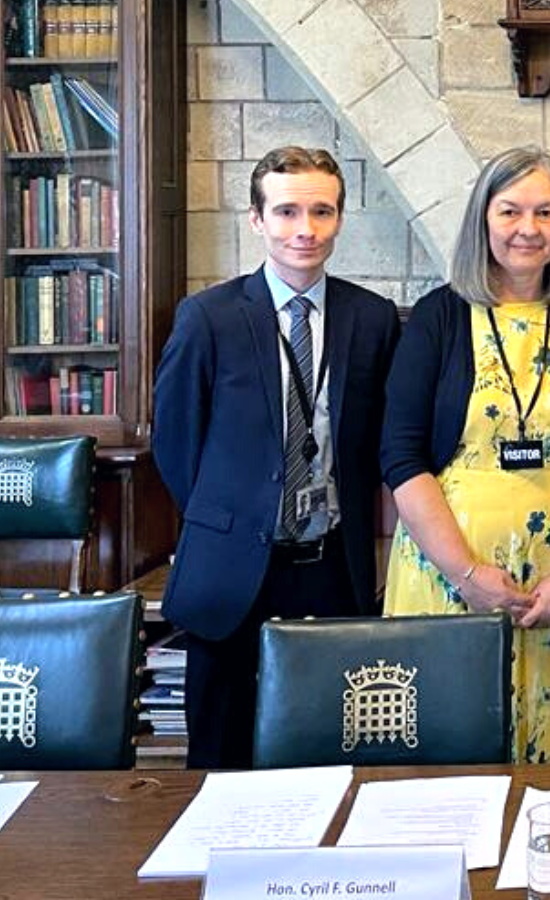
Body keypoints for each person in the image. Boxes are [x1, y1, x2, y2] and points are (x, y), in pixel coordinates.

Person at [153, 146, 401, 769]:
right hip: (232, 572)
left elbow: (376, 445)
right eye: (287, 212)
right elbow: (176, 442)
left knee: (330, 752)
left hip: (330, 567)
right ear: (258, 220)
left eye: (322, 211)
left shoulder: (371, 319)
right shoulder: (207, 318)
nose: (305, 230)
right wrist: (234, 520)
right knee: (220, 760)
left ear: (341, 218)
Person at [380, 146, 550, 764]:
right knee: (450, 756)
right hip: (450, 576)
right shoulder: (439, 317)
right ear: (482, 219)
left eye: (546, 212)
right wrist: (465, 572)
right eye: (511, 210)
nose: (528, 228)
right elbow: (402, 457)